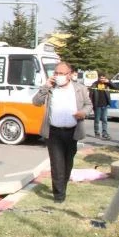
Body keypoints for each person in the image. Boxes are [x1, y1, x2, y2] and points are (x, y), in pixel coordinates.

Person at [32, 62, 92, 203]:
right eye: (56, 73)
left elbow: (89, 104)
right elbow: (36, 102)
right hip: (53, 132)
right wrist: (45, 86)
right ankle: (59, 196)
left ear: (70, 75)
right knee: (57, 164)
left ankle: (62, 186)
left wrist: (83, 112)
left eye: (62, 73)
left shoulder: (79, 89)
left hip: (72, 132)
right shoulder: (50, 89)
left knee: (68, 163)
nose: (58, 76)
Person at [89, 73, 112, 139]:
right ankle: (97, 132)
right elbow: (90, 95)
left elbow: (116, 87)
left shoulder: (106, 84)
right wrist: (91, 104)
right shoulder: (95, 84)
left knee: (105, 120)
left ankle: (104, 133)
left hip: (105, 104)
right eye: (101, 78)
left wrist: (109, 82)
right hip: (97, 105)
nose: (102, 79)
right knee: (97, 120)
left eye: (104, 78)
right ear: (98, 78)